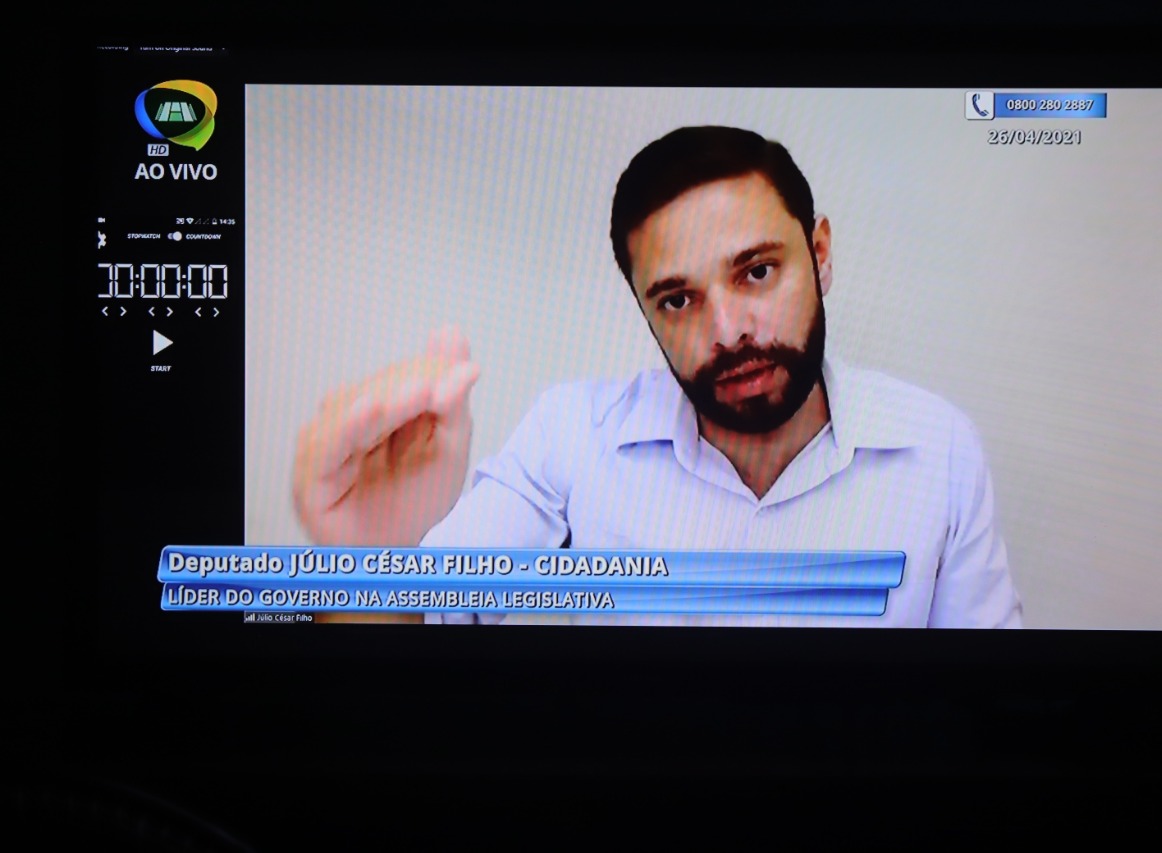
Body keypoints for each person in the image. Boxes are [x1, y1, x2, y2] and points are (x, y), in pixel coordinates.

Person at [292, 126, 1022, 627]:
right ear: (645, 309)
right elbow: (414, 623)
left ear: (820, 254)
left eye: (757, 271)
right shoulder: (571, 435)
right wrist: (365, 560)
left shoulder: (939, 448)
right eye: (678, 299)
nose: (728, 331)